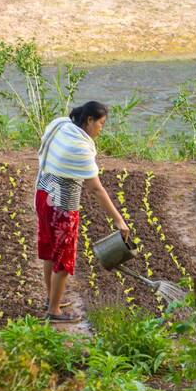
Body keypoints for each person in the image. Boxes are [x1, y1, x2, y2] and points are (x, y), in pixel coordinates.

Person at [35, 101, 129, 323]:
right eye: (101, 123)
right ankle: (54, 312)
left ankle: (51, 299)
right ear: (89, 120)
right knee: (64, 258)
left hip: (43, 195)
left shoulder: (61, 126)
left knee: (49, 251)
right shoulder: (78, 147)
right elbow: (96, 188)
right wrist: (119, 220)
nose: (101, 129)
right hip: (62, 207)